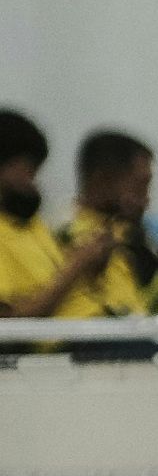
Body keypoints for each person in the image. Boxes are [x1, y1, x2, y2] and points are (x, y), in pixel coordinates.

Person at [0, 109, 113, 320]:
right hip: (70, 335)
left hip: (97, 324)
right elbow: (10, 322)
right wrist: (77, 266)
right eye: (28, 171)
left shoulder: (32, 226)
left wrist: (90, 265)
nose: (33, 184)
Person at [59, 130, 158, 317]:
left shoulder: (130, 235)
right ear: (101, 181)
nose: (145, 200)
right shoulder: (71, 237)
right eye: (139, 187)